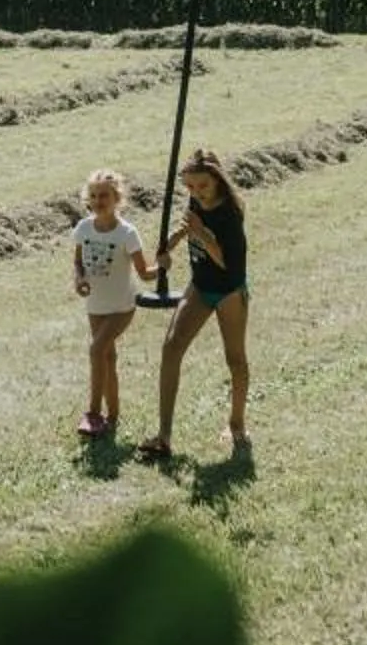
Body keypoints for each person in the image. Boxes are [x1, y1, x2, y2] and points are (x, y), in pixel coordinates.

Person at [138, 149, 248, 460]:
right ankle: (164, 436)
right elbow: (189, 224)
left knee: (235, 359)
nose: (196, 193)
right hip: (200, 286)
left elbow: (227, 262)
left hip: (229, 290)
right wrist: (169, 244)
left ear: (217, 182)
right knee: (171, 348)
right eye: (190, 188)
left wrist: (203, 234)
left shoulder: (230, 214)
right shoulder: (196, 202)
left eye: (203, 187)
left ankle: (237, 424)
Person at [69, 169, 153, 437]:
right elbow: (78, 261)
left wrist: (162, 267)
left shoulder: (127, 233)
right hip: (95, 305)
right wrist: (79, 278)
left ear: (117, 197)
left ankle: (93, 414)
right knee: (107, 357)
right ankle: (113, 417)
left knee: (96, 351)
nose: (98, 200)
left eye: (104, 195)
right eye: (93, 195)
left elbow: (144, 273)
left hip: (122, 306)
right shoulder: (84, 228)